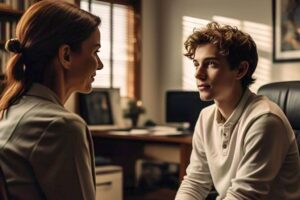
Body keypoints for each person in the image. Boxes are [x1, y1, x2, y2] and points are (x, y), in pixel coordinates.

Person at [175, 22, 300, 200]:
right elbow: (195, 182)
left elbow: (243, 196)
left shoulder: (265, 120)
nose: (198, 74)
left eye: (210, 64)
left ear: (240, 70)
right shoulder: (206, 117)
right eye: (196, 64)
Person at [0, 0, 102, 199]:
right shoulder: (61, 126)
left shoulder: (10, 110)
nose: (100, 65)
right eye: (95, 52)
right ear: (66, 55)